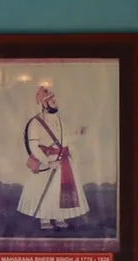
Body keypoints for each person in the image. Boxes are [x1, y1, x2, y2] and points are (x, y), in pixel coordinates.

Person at [20, 82, 88, 229]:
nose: (55, 102)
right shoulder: (35, 123)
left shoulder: (60, 121)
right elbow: (33, 146)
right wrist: (47, 163)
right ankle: (44, 220)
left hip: (63, 161)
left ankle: (59, 218)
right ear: (44, 104)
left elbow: (64, 140)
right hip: (46, 162)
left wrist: (78, 134)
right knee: (46, 190)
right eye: (51, 100)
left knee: (59, 191)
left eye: (55, 100)